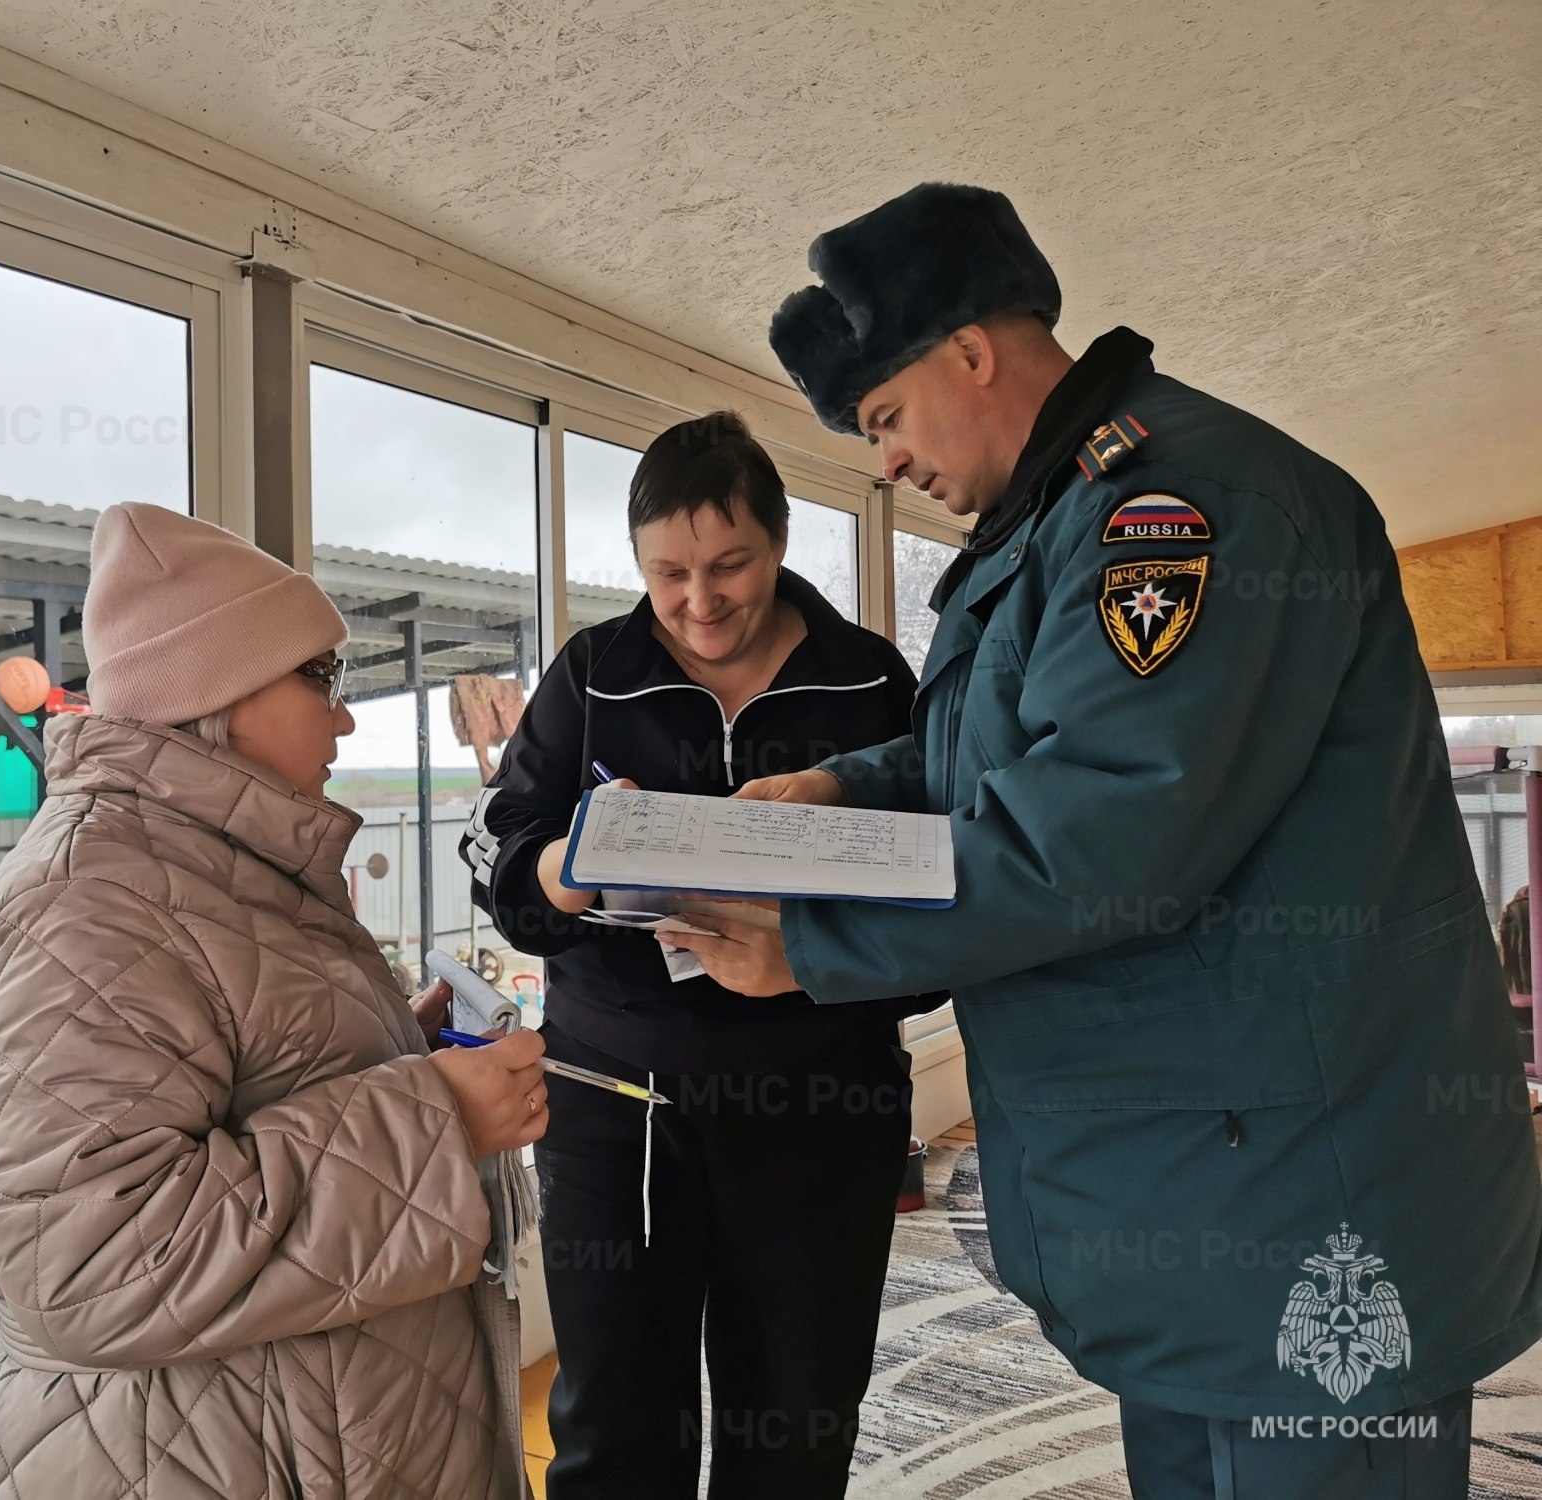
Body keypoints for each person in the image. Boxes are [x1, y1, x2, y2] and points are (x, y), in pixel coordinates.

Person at [660, 183, 1542, 1499]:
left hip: (1300, 1212)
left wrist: (813, 939)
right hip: (1200, 1196)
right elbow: (1011, 758)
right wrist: (838, 791)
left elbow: (1100, 833)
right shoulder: (1054, 525)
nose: (886, 460)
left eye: (887, 417)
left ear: (971, 350)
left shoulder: (1179, 507)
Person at [0, 503, 546, 1500]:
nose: (344, 716)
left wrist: (410, 1046)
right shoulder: (88, 904)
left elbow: (254, 1079)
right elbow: (88, 1259)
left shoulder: (207, 861)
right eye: (322, 679)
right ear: (210, 688)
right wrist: (435, 1118)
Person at [459, 412, 930, 1498]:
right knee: (614, 1428)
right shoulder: (591, 674)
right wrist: (566, 868)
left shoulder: (865, 681)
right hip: (614, 1100)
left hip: (820, 1100)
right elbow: (498, 845)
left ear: (779, 545)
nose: (698, 600)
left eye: (730, 566)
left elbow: (947, 898)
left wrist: (809, 952)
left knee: (796, 1426)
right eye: (667, 573)